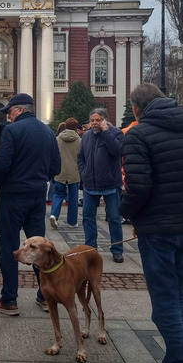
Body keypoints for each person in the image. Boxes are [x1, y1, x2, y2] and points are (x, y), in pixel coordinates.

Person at [120, 83, 183, 363]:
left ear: (136, 109)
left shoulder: (138, 135)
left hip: (159, 231)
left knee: (166, 304)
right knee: (182, 298)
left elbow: (138, 188)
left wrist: (125, 211)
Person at [0, 93, 60, 316]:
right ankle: (45, 296)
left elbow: (2, 163)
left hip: (14, 196)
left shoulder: (12, 131)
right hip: (38, 195)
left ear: (19, 110)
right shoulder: (48, 131)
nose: (8, 117)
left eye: (9, 112)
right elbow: (55, 167)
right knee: (40, 249)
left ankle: (9, 298)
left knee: (9, 247)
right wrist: (39, 178)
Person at [78, 108, 126, 263]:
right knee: (88, 217)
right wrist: (83, 172)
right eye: (92, 120)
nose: (94, 123)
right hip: (90, 183)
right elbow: (81, 157)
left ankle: (117, 249)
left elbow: (117, 150)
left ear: (105, 120)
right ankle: (91, 248)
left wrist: (106, 132)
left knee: (114, 218)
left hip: (110, 183)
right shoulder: (86, 137)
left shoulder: (115, 133)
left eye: (97, 120)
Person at [49, 117, 81, 229]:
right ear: (76, 127)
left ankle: (54, 215)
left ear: (65, 126)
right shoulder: (79, 140)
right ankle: (72, 222)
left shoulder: (57, 139)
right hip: (74, 172)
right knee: (73, 197)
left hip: (60, 171)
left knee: (58, 194)